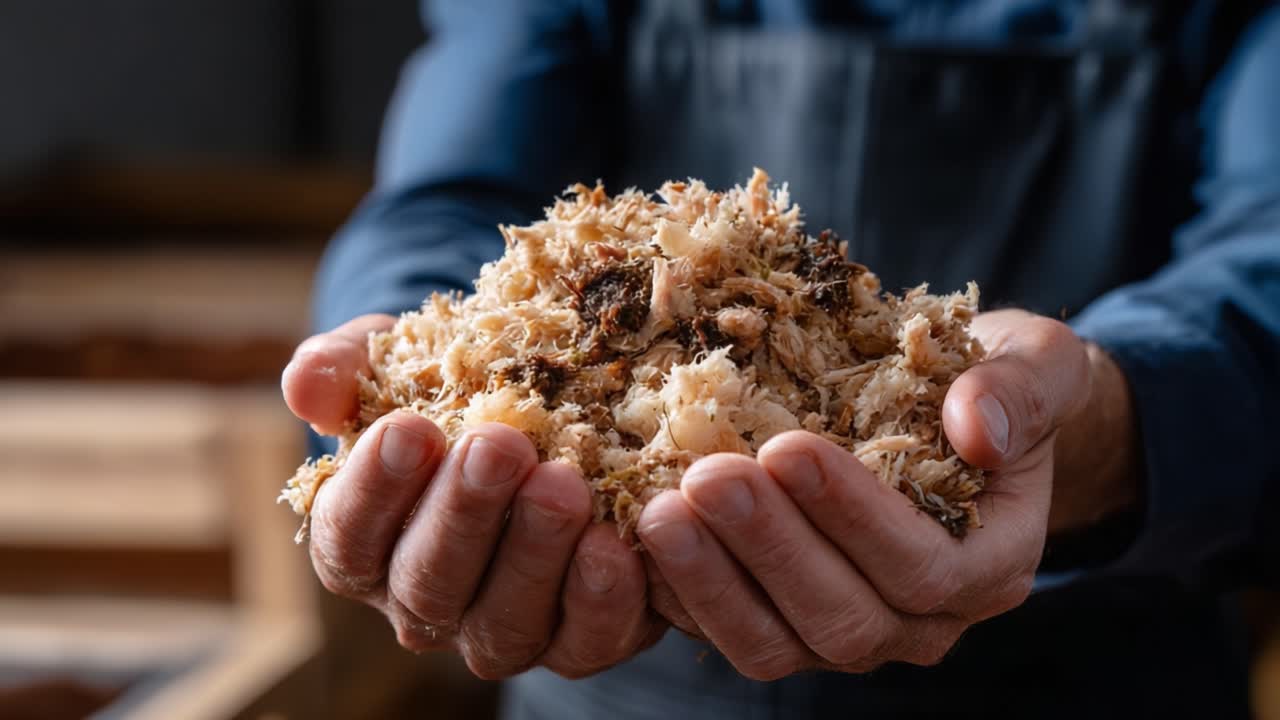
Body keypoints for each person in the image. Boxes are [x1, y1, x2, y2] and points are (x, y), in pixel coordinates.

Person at [281, 1, 1280, 717]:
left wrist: (1095, 420)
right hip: (619, 670)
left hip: (1091, 664)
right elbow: (451, 188)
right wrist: (405, 355)